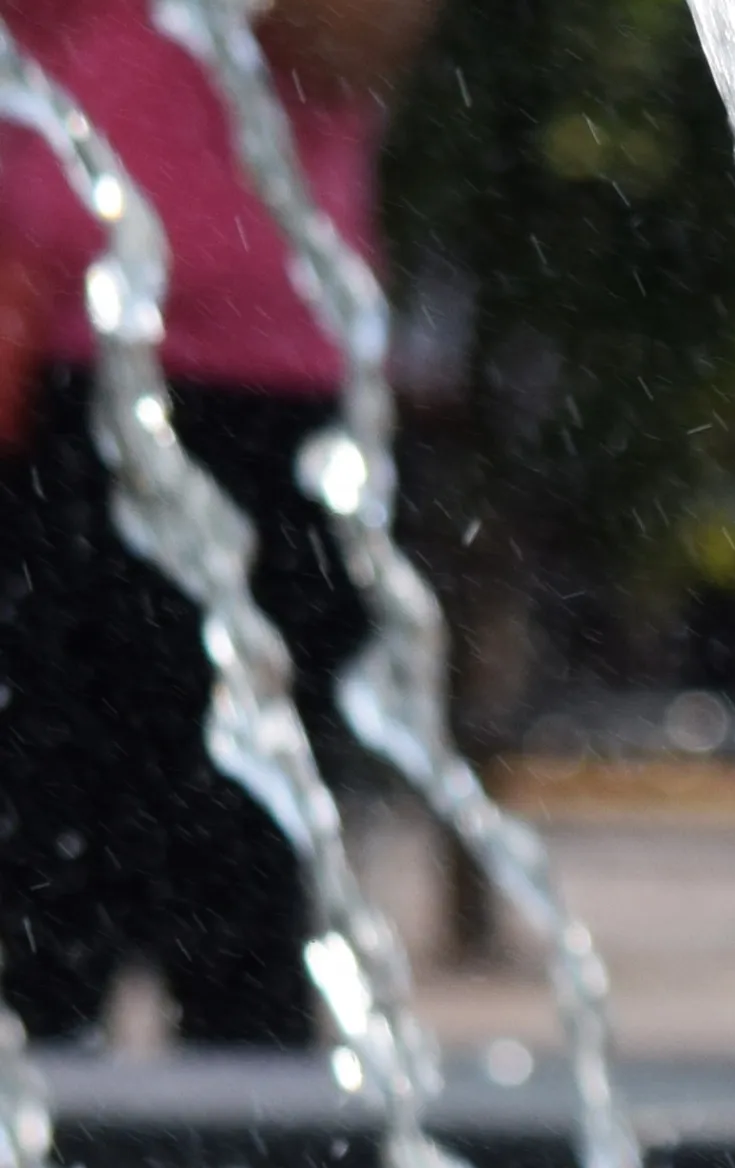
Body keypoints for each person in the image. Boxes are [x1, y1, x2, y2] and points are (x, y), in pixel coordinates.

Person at [0, 0, 439, 1049]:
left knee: (248, 877)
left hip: (267, 389)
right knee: (37, 883)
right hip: (44, 367)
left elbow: (351, 46)